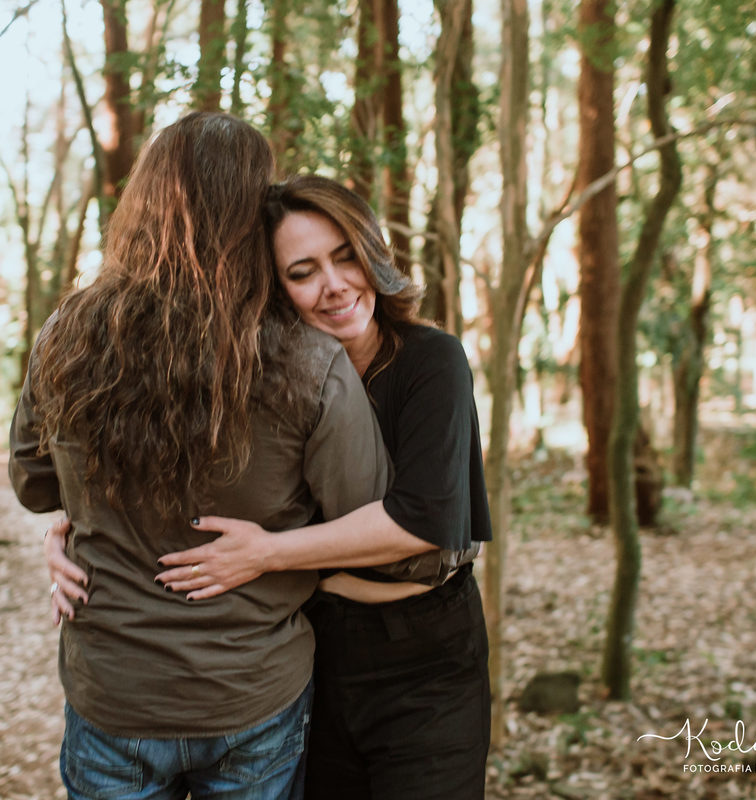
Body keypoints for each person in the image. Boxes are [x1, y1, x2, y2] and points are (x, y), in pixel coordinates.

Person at [47, 175, 493, 800]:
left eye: (345, 257)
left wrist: (267, 553)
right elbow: (167, 484)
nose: (334, 284)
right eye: (303, 271)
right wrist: (70, 533)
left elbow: (423, 522)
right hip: (315, 648)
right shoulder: (267, 376)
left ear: (373, 253)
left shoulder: (431, 360)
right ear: (274, 287)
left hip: (423, 655)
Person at [11, 115, 402, 800]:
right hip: (251, 693)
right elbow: (366, 520)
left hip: (115, 691)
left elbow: (32, 480)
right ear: (254, 217)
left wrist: (77, 520)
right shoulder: (311, 363)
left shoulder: (65, 335)